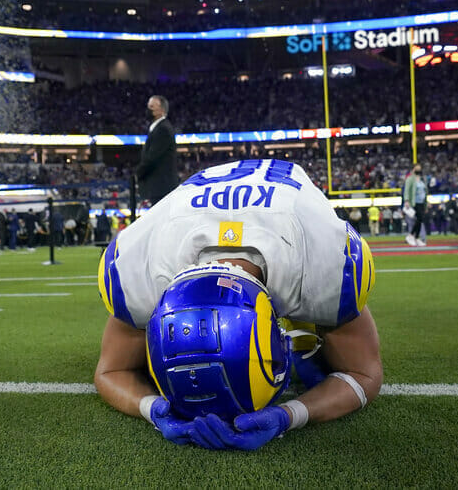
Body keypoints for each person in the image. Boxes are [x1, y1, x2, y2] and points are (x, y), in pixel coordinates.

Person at [94, 159, 381, 451]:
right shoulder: (141, 269)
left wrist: (287, 416)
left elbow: (364, 374)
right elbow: (110, 371)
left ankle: (303, 333)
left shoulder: (322, 263)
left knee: (321, 353)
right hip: (199, 207)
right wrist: (153, 409)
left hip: (282, 196)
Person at [134, 95, 179, 206]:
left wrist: (138, 173)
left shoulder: (163, 129)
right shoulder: (156, 127)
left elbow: (152, 157)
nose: (148, 109)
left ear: (162, 110)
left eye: (152, 106)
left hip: (162, 187)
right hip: (159, 186)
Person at [403, 163, 429, 246]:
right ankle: (411, 235)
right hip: (414, 202)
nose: (419, 170)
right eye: (417, 168)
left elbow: (425, 192)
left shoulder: (422, 179)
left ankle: (416, 237)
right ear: (413, 169)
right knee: (419, 218)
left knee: (420, 220)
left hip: (421, 203)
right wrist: (406, 200)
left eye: (419, 168)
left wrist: (426, 202)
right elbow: (406, 190)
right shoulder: (410, 179)